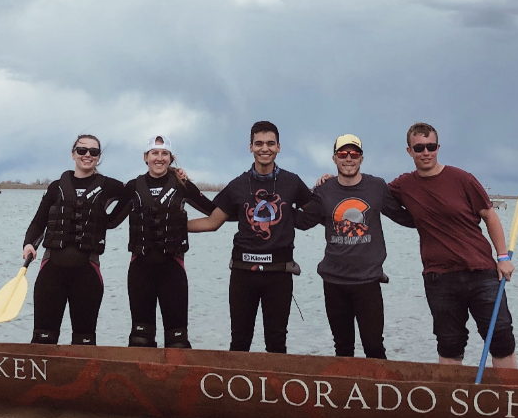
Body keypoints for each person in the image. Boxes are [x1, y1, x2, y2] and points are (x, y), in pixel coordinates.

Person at [388, 122, 518, 368]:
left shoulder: (462, 179)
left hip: (481, 274)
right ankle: (452, 402)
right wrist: (331, 180)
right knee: (449, 344)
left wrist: (503, 258)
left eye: (431, 146)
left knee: (501, 338)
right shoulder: (403, 185)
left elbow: (490, 215)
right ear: (409, 151)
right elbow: (372, 195)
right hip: (440, 279)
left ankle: (508, 398)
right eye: (419, 148)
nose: (425, 152)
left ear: (438, 147)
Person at [187, 121, 313, 353]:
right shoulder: (237, 185)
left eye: (270, 143)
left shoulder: (292, 182)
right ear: (251, 147)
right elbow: (212, 222)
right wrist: (176, 225)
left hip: (279, 274)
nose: (265, 148)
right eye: (259, 143)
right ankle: (236, 388)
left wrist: (326, 185)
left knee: (276, 342)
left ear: (278, 147)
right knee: (240, 340)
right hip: (243, 273)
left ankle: (274, 389)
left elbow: (316, 211)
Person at [295, 134, 415, 359]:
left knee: (374, 347)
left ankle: (379, 393)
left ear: (361, 158)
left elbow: (403, 217)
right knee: (342, 349)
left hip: (368, 282)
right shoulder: (324, 189)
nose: (348, 158)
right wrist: (275, 207)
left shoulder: (377, 186)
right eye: (342, 154)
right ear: (334, 158)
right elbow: (303, 222)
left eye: (354, 154)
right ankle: (345, 394)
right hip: (334, 281)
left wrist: (437, 219)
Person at [108, 135, 216, 348]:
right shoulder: (133, 187)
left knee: (177, 341)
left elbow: (215, 213)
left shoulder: (182, 185)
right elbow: (110, 222)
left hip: (172, 270)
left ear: (170, 158)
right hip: (140, 270)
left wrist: (180, 224)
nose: (159, 158)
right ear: (145, 157)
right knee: (140, 340)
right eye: (154, 153)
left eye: (164, 153)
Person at [22, 135, 124, 345]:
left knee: (84, 341)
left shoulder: (110, 186)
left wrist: (173, 172)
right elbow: (38, 223)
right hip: (52, 272)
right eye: (82, 150)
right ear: (73, 153)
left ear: (99, 157)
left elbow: (142, 188)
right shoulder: (56, 187)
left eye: (93, 152)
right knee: (43, 339)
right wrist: (29, 244)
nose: (87, 155)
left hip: (87, 273)